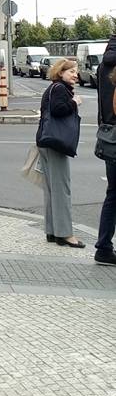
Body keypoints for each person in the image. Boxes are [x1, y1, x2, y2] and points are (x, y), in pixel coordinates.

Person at [36, 58, 84, 248]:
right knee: (62, 190)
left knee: (51, 190)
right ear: (61, 72)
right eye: (71, 71)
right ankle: (65, 234)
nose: (75, 75)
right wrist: (74, 102)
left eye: (76, 71)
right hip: (56, 143)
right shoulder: (60, 89)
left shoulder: (52, 88)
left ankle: (52, 231)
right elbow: (58, 110)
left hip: (45, 141)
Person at [94, 35, 116, 265]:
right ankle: (103, 247)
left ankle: (103, 247)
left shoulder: (104, 66)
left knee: (113, 194)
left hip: (110, 138)